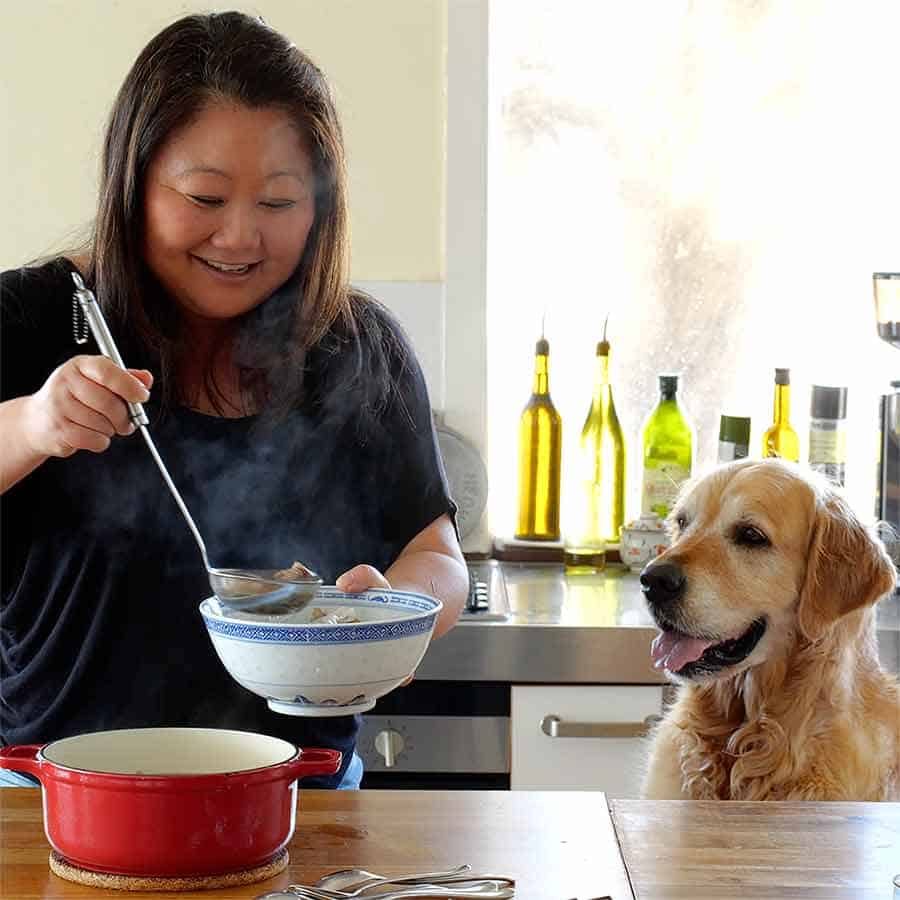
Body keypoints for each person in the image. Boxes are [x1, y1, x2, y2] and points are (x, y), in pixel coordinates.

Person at [0, 11, 467, 789]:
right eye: (206, 198)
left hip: (302, 795)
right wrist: (30, 424)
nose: (241, 237)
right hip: (59, 798)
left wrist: (399, 612)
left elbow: (436, 555)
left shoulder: (357, 345)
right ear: (134, 184)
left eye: (279, 204)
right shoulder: (30, 319)